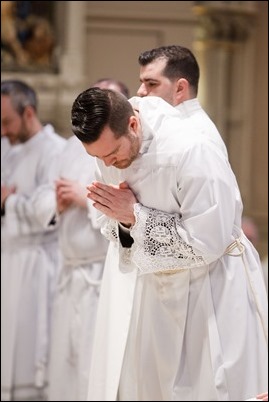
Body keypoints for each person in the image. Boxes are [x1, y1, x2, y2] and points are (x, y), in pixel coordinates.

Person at [71, 83, 268, 401]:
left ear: (133, 124)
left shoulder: (190, 149)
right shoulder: (108, 150)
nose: (107, 165)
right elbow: (107, 224)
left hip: (208, 290)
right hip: (154, 293)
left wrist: (135, 216)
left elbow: (207, 242)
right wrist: (123, 220)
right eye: (98, 157)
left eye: (111, 154)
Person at [36, 79, 129, 401]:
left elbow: (123, 210)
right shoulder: (69, 148)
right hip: (69, 272)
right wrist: (56, 203)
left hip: (99, 272)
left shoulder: (118, 153)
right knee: (64, 361)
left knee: (92, 360)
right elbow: (43, 197)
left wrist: (81, 198)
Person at [1, 79, 66, 401]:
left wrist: (8, 203)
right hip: (7, 260)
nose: (2, 131)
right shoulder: (6, 148)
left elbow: (47, 210)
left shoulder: (56, 150)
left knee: (29, 352)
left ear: (28, 113)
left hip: (36, 268)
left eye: (6, 122)